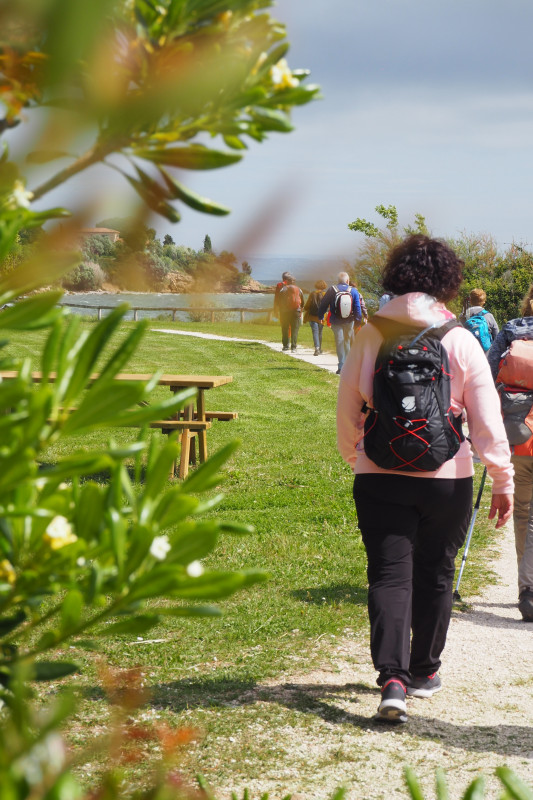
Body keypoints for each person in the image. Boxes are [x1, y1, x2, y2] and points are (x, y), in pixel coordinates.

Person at [337, 235, 513, 723]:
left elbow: (348, 407)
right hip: (448, 477)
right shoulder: (460, 338)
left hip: (380, 476)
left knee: (389, 574)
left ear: (396, 277)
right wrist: (502, 478)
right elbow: (486, 419)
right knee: (435, 571)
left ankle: (391, 679)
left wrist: (358, 457)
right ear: (447, 282)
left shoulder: (371, 334)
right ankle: (423, 672)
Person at [487, 284, 533, 621]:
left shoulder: (512, 329)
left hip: (519, 435)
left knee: (525, 512)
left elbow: (487, 379)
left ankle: (528, 589)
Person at [318, 272, 362, 374]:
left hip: (336, 320)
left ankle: (341, 366)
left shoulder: (332, 289)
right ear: (347, 280)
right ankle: (348, 365)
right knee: (346, 342)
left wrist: (320, 316)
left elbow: (323, 304)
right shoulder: (353, 291)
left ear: (338, 280)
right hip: (349, 321)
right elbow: (357, 308)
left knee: (339, 342)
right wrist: (358, 322)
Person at [278, 275, 304, 351]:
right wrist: (300, 311)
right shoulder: (299, 290)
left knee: (285, 328)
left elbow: (279, 301)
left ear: (287, 281)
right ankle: (293, 347)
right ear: (294, 282)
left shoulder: (283, 289)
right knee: (295, 329)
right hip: (296, 311)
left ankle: (285, 346)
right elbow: (302, 303)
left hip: (285, 312)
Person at [303, 279, 327, 356]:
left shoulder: (312, 293)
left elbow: (307, 305)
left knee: (315, 332)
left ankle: (317, 348)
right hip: (322, 317)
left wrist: (304, 309)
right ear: (324, 286)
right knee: (320, 332)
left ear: (316, 286)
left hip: (312, 316)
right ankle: (319, 348)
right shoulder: (325, 294)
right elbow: (328, 306)